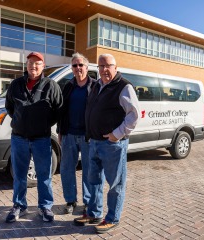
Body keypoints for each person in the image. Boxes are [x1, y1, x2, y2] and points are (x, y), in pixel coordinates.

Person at [74, 53, 140, 233]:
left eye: (108, 66)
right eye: (100, 66)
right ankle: (94, 213)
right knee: (93, 180)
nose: (104, 70)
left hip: (112, 145)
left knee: (115, 183)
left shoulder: (123, 87)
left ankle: (112, 217)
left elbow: (134, 116)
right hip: (94, 142)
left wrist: (117, 134)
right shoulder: (97, 85)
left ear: (115, 67)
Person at [5, 52, 63, 223]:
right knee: (20, 175)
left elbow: (58, 110)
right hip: (19, 138)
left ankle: (45, 207)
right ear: (26, 65)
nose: (34, 66)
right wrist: (20, 121)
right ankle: (19, 205)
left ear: (43, 66)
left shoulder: (51, 85)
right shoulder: (16, 84)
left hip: (42, 139)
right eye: (31, 63)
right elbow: (9, 107)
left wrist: (43, 123)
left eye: (37, 63)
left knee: (44, 176)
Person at [57, 53, 96, 214]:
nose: (78, 68)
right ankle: (70, 200)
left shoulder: (95, 86)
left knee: (88, 169)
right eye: (75, 65)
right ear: (72, 69)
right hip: (69, 135)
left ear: (86, 68)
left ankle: (87, 202)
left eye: (81, 65)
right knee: (66, 169)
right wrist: (60, 130)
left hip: (88, 136)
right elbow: (62, 109)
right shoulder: (68, 86)